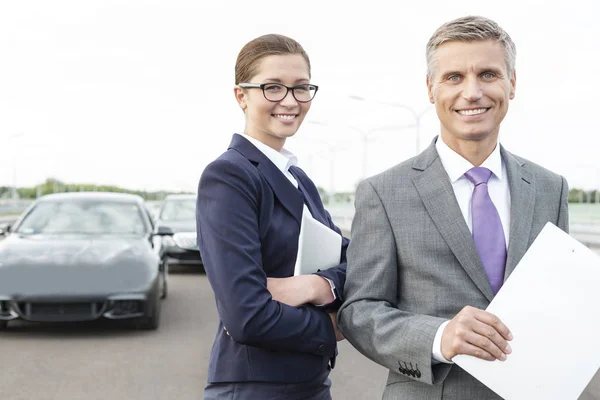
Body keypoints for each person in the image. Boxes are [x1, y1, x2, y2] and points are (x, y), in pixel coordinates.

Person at [337, 15, 569, 400]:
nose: (472, 92)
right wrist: (439, 336)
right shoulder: (383, 192)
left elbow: (559, 298)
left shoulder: (550, 188)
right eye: (454, 77)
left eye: (489, 74)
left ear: (512, 84)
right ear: (431, 89)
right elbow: (359, 311)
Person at [196, 34, 348, 400]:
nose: (290, 101)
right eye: (273, 88)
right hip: (255, 388)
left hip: (310, 385)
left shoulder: (298, 179)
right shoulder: (230, 176)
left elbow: (354, 259)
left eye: (301, 88)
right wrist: (335, 323)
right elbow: (247, 317)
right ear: (241, 96)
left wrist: (316, 285)